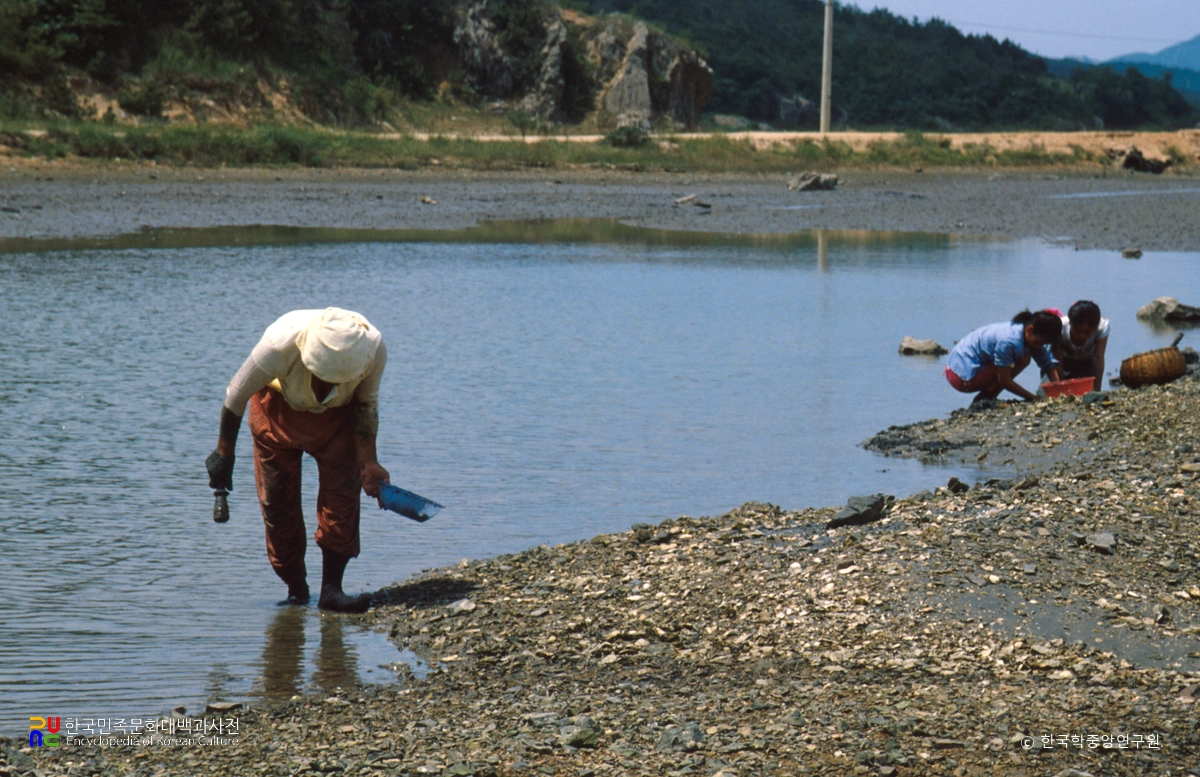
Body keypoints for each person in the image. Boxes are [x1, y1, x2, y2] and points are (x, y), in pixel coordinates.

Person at [206, 308, 390, 613]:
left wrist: (369, 462)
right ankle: (296, 590)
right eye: (323, 376)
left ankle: (332, 590)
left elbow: (366, 406)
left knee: (342, 497)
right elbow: (236, 395)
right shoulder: (280, 342)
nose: (327, 384)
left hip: (339, 420)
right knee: (277, 503)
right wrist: (224, 453)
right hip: (276, 412)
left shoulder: (373, 348)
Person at [945, 310, 1063, 403]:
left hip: (960, 367)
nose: (1040, 346)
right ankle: (987, 395)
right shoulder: (1010, 341)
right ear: (1030, 330)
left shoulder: (1025, 330)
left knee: (1025, 356)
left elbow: (1047, 363)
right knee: (1024, 359)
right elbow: (1004, 380)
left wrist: (1059, 390)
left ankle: (989, 393)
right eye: (1040, 342)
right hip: (961, 375)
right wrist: (1032, 398)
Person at [1049, 300, 1109, 392]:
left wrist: (1097, 391)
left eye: (1087, 332)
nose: (1082, 336)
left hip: (1086, 363)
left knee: (1087, 391)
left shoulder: (1102, 327)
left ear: (1095, 327)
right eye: (1077, 331)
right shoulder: (1060, 326)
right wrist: (1060, 388)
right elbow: (1058, 361)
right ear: (1070, 324)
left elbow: (1098, 357)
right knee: (1049, 392)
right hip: (1064, 362)